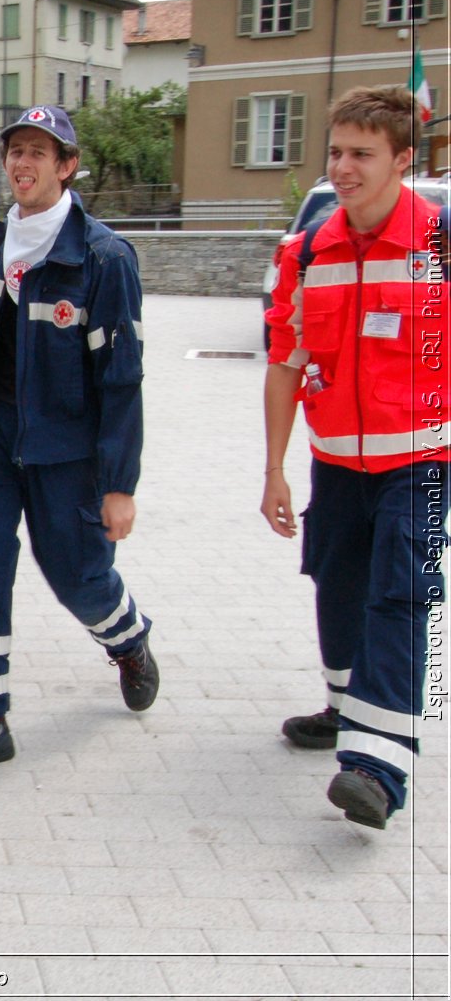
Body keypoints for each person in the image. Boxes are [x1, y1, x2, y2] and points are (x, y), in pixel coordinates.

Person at [0, 105, 157, 778]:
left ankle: (128, 638)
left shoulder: (104, 259)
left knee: (78, 576)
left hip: (66, 451)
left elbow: (122, 380)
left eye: (38, 152)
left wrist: (119, 486)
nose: (23, 164)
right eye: (15, 151)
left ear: (67, 166)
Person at [261, 84, 446, 830]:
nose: (342, 167)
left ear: (403, 159)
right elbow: (285, 364)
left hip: (421, 462)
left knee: (399, 594)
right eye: (335, 152)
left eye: (361, 154)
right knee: (336, 586)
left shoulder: (440, 242)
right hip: (335, 463)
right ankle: (346, 706)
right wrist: (274, 466)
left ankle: (378, 765)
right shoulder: (307, 250)